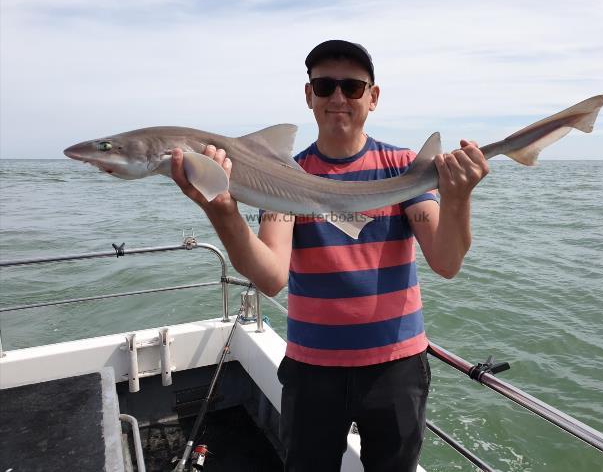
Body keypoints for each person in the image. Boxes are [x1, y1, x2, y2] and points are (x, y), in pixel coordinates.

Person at [171, 40, 489, 472]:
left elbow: (446, 262)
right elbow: (270, 276)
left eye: (353, 87)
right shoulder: (282, 177)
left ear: (373, 97)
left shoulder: (404, 168)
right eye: (325, 85)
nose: (338, 97)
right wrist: (222, 210)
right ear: (309, 95)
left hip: (396, 367)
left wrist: (458, 198)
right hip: (313, 368)